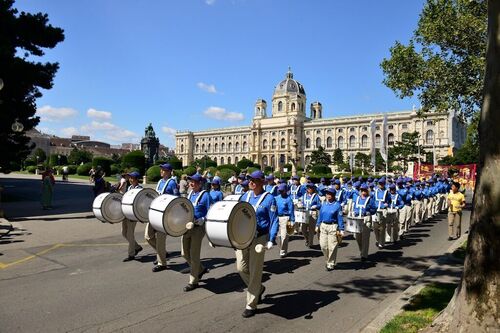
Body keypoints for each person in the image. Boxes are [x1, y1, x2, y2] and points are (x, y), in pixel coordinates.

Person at [237, 170, 279, 318]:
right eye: (250, 180)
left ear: (262, 182)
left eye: (254, 180)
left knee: (255, 272)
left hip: (259, 238)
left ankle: (251, 304)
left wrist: (271, 239)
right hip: (243, 237)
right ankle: (258, 288)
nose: (251, 182)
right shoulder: (244, 196)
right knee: (241, 268)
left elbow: (274, 220)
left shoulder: (269, 199)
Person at [147, 163, 178, 272]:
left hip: (164, 214)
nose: (161, 171)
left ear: (169, 172)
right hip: (155, 211)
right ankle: (162, 253)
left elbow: (176, 198)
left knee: (160, 240)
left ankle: (162, 263)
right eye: (161, 169)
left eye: (163, 170)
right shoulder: (160, 182)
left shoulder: (172, 183)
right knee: (148, 236)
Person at [183, 174, 211, 291]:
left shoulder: (205, 195)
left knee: (194, 254)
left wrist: (203, 219)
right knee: (184, 253)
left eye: (194, 182)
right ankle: (200, 269)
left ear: (200, 183)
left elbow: (211, 210)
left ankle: (193, 281)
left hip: (198, 227)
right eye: (190, 182)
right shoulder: (190, 194)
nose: (191, 183)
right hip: (188, 226)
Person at [315, 186, 344, 271]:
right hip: (323, 226)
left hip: (333, 226)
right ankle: (328, 259)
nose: (328, 195)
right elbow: (320, 215)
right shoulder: (324, 204)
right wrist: (317, 225)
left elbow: (340, 218)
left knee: (332, 246)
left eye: (330, 194)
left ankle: (330, 263)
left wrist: (341, 229)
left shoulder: (337, 205)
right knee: (323, 246)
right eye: (327, 194)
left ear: (334, 195)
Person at [122, 171, 143, 262]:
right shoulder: (130, 187)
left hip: (133, 215)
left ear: (137, 179)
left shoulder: (140, 189)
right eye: (130, 178)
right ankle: (137, 247)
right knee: (124, 233)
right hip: (126, 213)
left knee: (130, 234)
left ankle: (131, 254)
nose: (130, 179)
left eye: (132, 178)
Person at [351, 184, 375, 260]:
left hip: (366, 219)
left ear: (367, 191)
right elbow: (354, 207)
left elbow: (374, 209)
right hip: (358, 219)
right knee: (357, 237)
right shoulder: (357, 198)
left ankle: (364, 255)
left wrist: (369, 212)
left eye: (365, 190)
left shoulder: (370, 199)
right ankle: (362, 250)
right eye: (362, 190)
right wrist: (354, 212)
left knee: (365, 237)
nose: (363, 192)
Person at [275, 183, 294, 258]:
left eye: (282, 190)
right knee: (278, 236)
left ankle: (283, 251)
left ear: (286, 190)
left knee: (284, 236)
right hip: (277, 218)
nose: (281, 192)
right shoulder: (276, 198)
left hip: (285, 218)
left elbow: (291, 210)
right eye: (280, 191)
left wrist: (292, 220)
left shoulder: (288, 199)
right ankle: (281, 249)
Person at [300, 182, 321, 248]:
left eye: (310, 188)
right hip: (305, 212)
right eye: (308, 188)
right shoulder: (304, 195)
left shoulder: (316, 196)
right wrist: (300, 205)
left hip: (313, 213)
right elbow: (302, 202)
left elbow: (320, 205)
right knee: (303, 229)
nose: (308, 189)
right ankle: (307, 239)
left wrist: (316, 206)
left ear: (313, 189)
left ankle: (310, 243)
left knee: (311, 229)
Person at [372, 178, 391, 249]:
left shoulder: (387, 192)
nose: (380, 185)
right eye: (379, 184)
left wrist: (387, 205)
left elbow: (389, 200)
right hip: (376, 210)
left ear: (384, 184)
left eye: (382, 184)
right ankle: (378, 239)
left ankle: (381, 243)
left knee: (382, 228)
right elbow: (373, 200)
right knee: (375, 227)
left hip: (383, 210)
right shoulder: (375, 191)